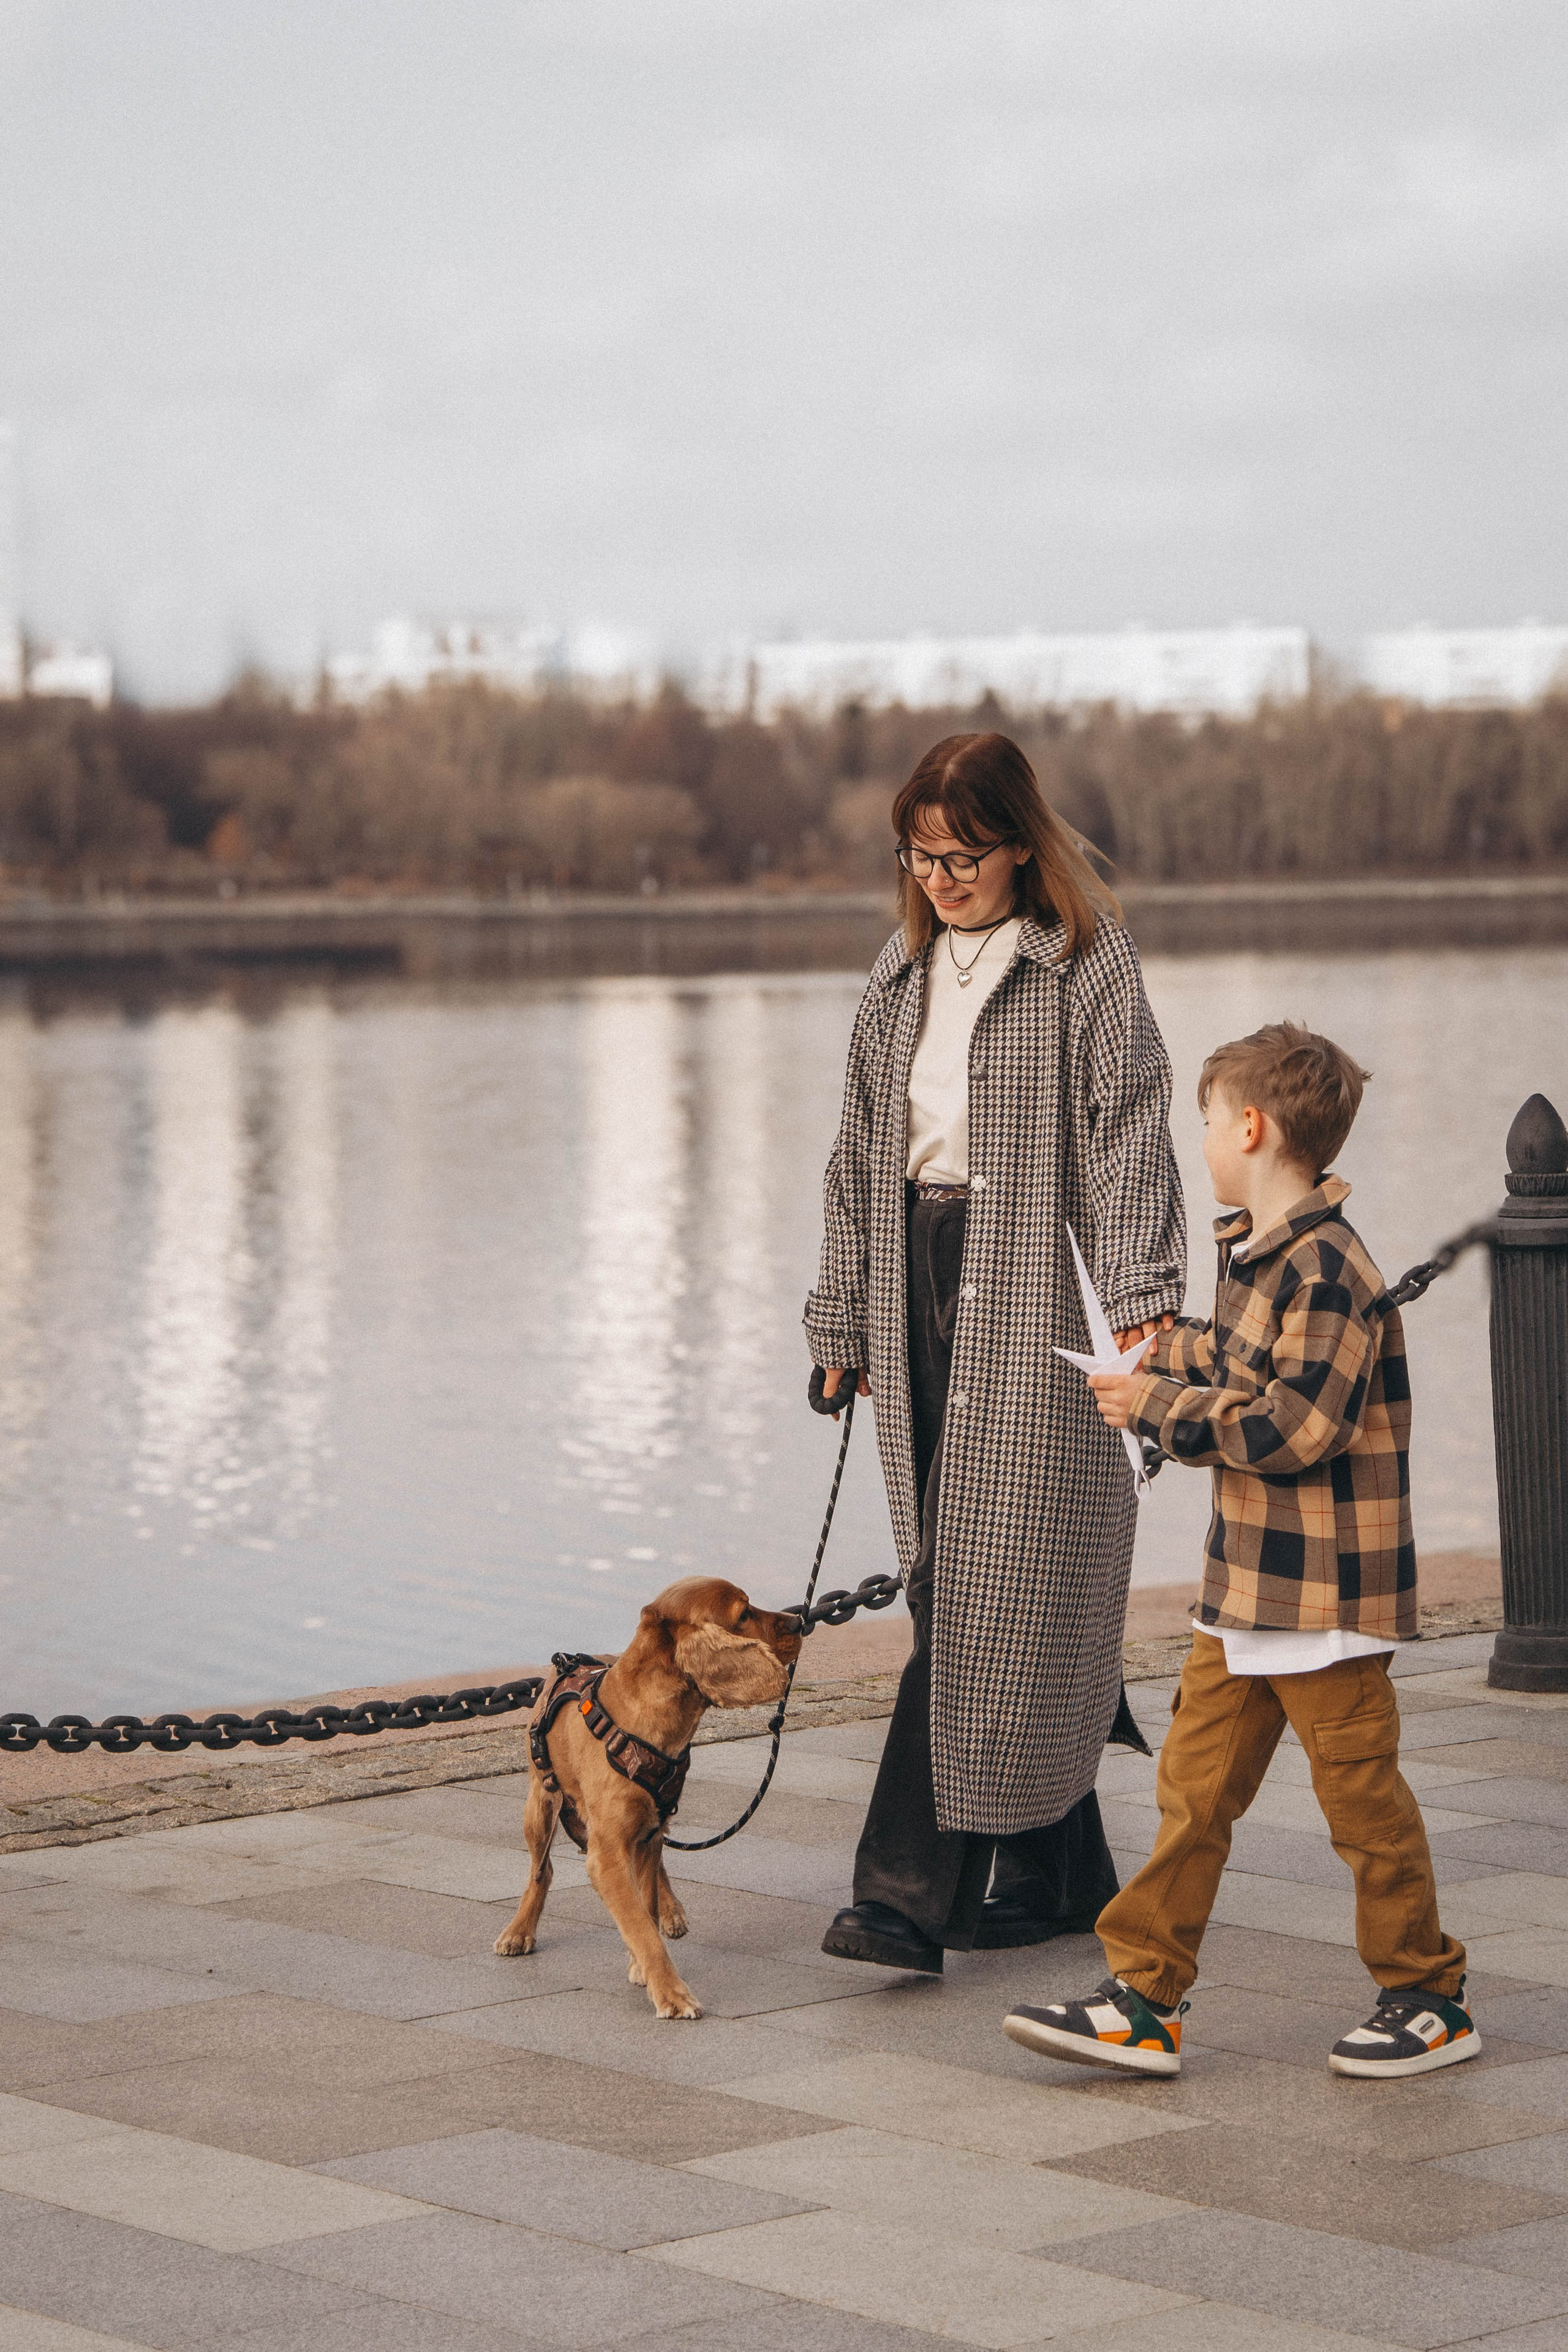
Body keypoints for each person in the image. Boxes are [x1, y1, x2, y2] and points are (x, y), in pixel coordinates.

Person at [1004, 1022, 1479, 2078]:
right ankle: (1144, 1998)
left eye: (1210, 1122)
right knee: (1192, 1794)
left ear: (1254, 1127)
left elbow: (1295, 1425)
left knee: (1362, 1802)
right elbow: (1235, 1359)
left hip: (1325, 1603)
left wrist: (1156, 1405)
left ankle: (1427, 1992)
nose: (1204, 1141)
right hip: (1247, 1591)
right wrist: (1160, 1349)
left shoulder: (1330, 1271)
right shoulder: (1259, 1254)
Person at [805, 731, 1186, 1972]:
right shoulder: (896, 971)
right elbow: (858, 1150)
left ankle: (902, 1896)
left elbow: (1128, 1128)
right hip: (917, 1266)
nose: (938, 879)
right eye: (919, 858)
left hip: (1034, 1283)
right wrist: (839, 1322)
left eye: (960, 855)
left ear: (1019, 843)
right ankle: (1058, 1869)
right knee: (957, 1573)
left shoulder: (1082, 961)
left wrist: (1142, 1299)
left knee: (994, 1578)